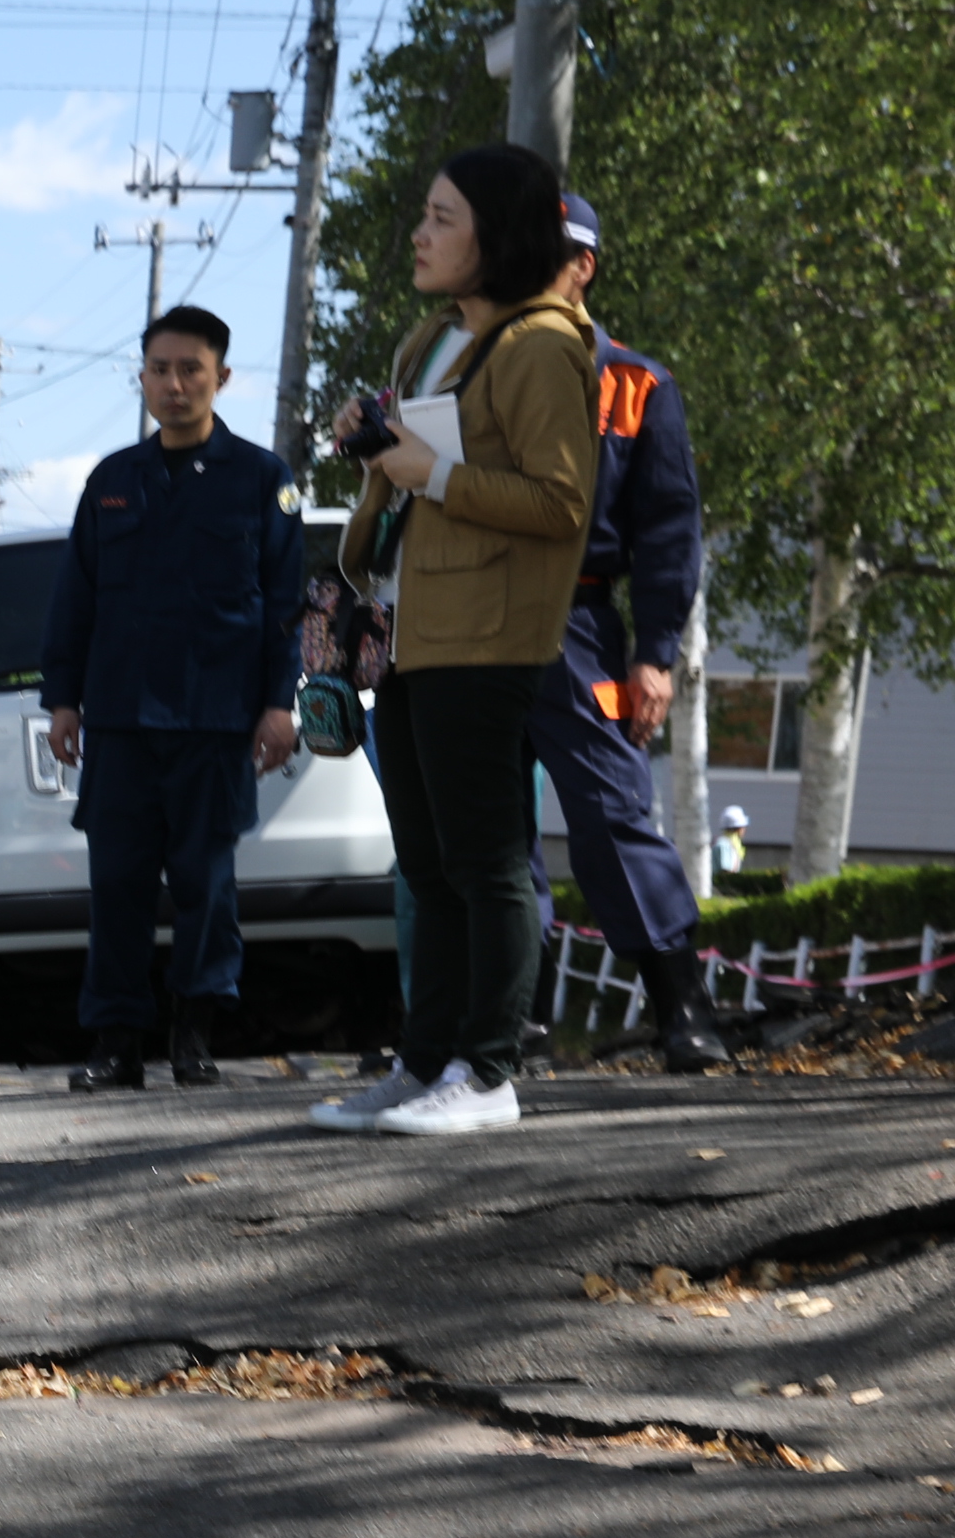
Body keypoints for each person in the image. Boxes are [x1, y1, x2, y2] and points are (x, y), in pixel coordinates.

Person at [316, 142, 596, 1138]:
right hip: (409, 628)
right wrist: (373, 442)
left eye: (444, 218)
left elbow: (561, 501)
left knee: (486, 862)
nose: (422, 234)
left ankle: (488, 1074)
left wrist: (427, 469)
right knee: (427, 867)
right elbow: (409, 464)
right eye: (424, 215)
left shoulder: (543, 347)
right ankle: (424, 1064)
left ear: (499, 235)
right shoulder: (430, 337)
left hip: (489, 636)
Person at [36, 302, 307, 1093]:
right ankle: (117, 1045)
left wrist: (279, 703)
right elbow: (74, 602)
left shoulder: (263, 480)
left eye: (192, 370)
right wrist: (64, 701)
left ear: (223, 377)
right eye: (160, 369)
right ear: (143, 377)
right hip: (120, 722)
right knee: (116, 887)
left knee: (206, 887)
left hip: (216, 720)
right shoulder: (112, 482)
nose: (175, 384)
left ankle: (194, 1038)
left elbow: (284, 605)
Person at [534, 193, 722, 1075]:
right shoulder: (458, 369)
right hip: (465, 621)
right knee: (481, 830)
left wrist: (654, 655)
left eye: (553, 252)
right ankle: (510, 1022)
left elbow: (669, 532)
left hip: (578, 624)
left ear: (585, 267)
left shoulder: (636, 385)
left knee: (614, 814)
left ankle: (681, 1005)